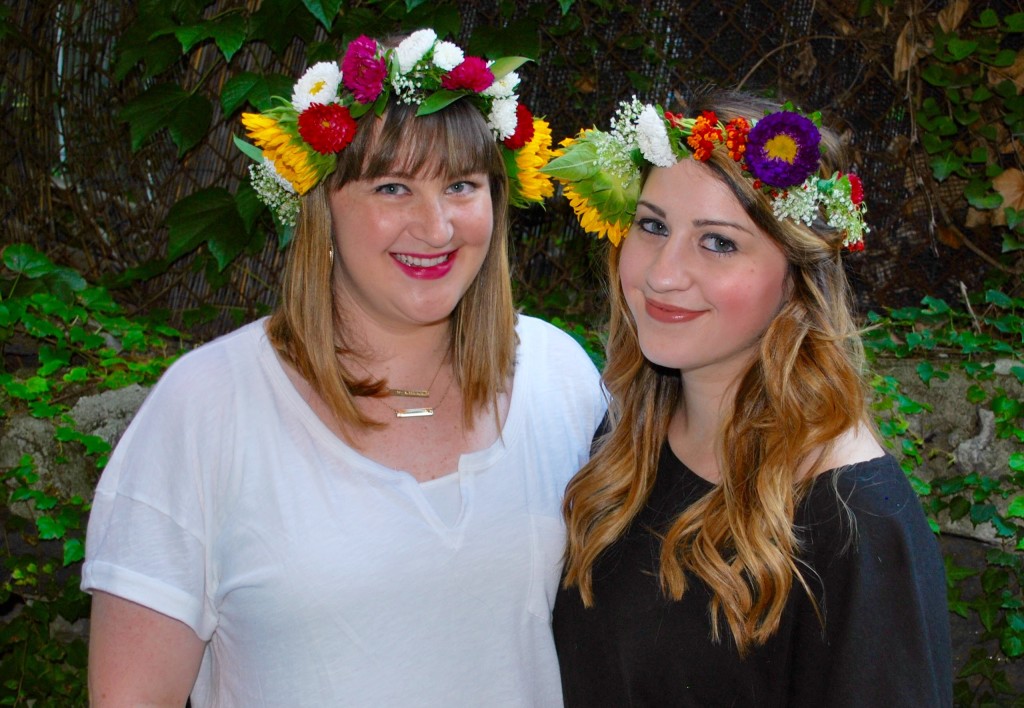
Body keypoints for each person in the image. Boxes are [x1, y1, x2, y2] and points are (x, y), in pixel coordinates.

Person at [82, 29, 606, 706]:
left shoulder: (557, 378)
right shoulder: (208, 407)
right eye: (392, 188)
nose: (437, 226)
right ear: (322, 205)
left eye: (461, 186)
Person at [543, 90, 952, 706]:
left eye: (719, 243)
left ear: (796, 278)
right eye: (653, 226)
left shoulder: (853, 519)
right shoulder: (625, 441)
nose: (662, 274)